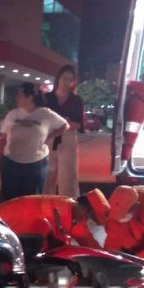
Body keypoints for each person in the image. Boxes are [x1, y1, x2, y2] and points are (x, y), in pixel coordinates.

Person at [0, 82, 68, 200]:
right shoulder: (13, 114)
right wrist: (1, 159)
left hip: (35, 163)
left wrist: (49, 137)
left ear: (29, 96)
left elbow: (65, 125)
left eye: (19, 95)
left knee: (31, 199)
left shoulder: (45, 113)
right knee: (10, 199)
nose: (16, 98)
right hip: (11, 162)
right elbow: (3, 137)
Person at [0, 189, 109, 251]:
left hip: (7, 222)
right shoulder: (63, 212)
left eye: (90, 217)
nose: (86, 218)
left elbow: (89, 242)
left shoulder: (72, 210)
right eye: (89, 214)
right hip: (5, 223)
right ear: (82, 205)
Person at [41, 65, 85, 197]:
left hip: (67, 140)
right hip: (48, 139)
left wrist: (58, 125)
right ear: (58, 78)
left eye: (70, 79)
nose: (66, 82)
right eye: (64, 78)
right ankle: (45, 204)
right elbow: (41, 118)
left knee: (68, 177)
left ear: (73, 82)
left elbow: (78, 123)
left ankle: (69, 204)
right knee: (46, 176)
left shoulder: (76, 100)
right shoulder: (46, 98)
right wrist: (64, 122)